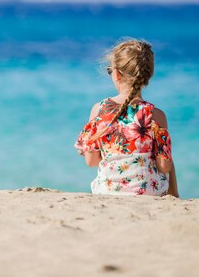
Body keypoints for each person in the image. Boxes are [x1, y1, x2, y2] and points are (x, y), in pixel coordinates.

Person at [74, 38, 179, 197]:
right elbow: (164, 166)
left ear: (116, 74)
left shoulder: (99, 110)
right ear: (148, 75)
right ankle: (176, 196)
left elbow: (91, 162)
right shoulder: (156, 115)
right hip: (148, 192)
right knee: (169, 160)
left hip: (107, 190)